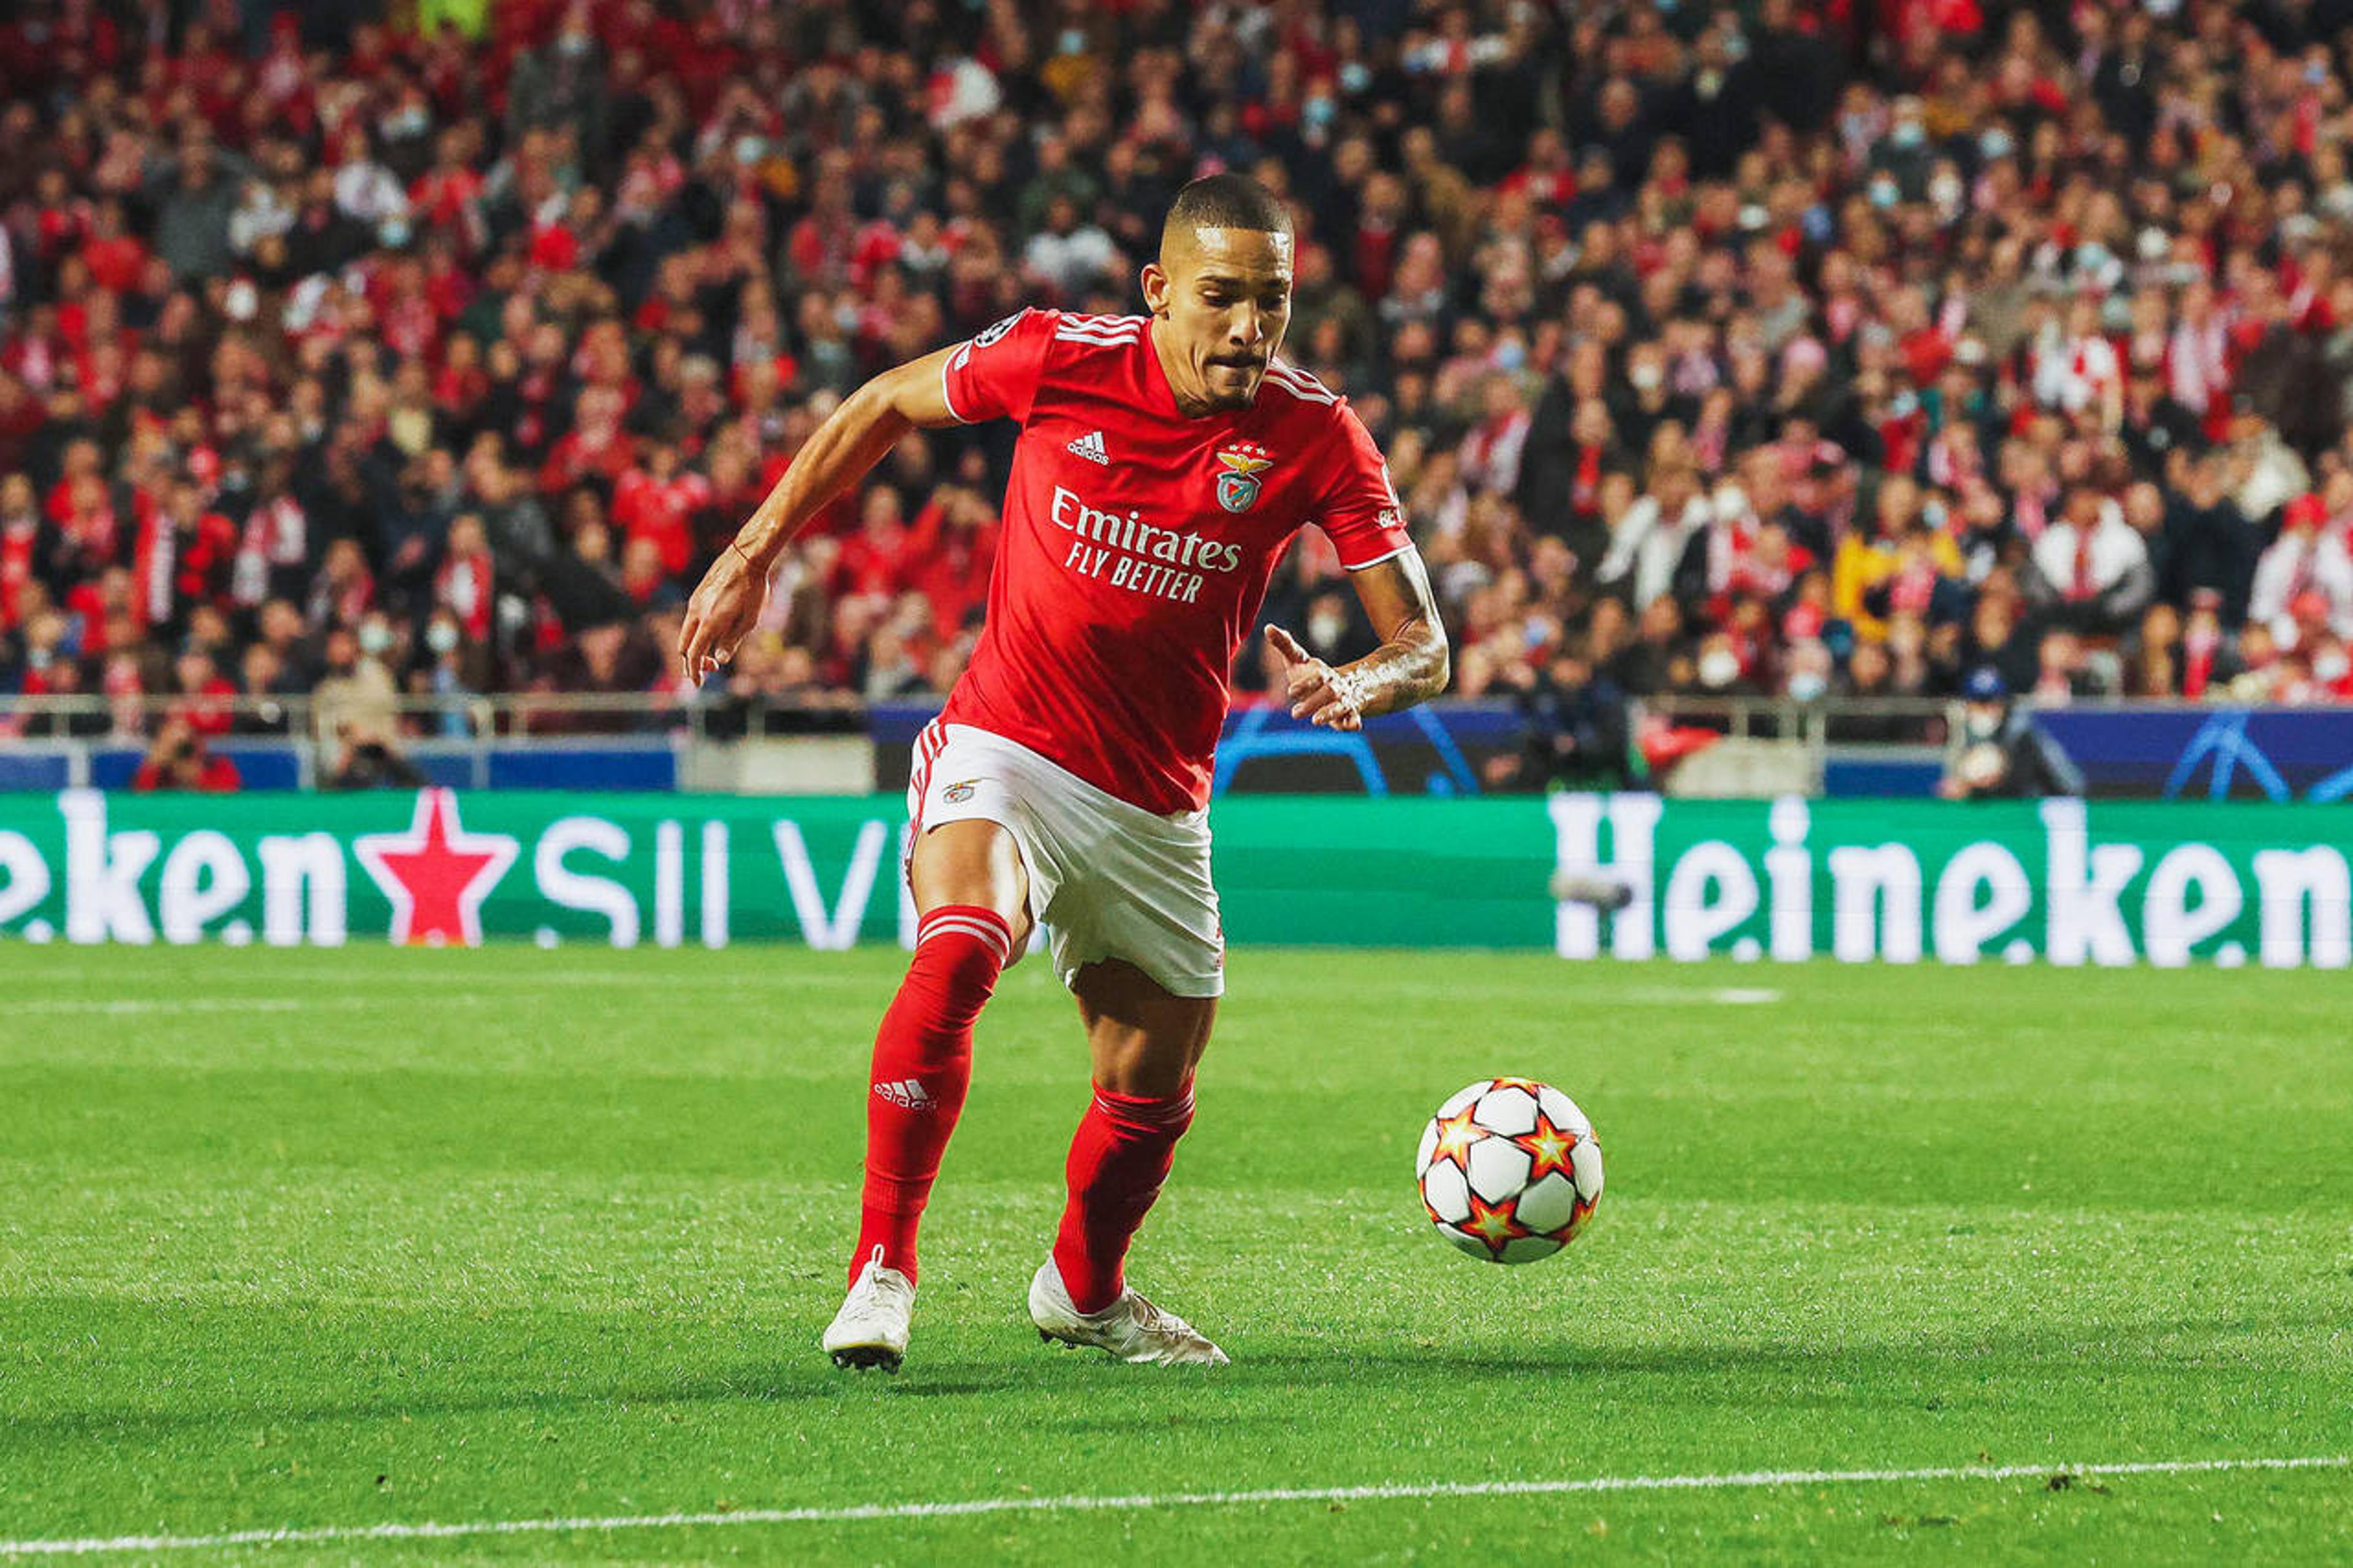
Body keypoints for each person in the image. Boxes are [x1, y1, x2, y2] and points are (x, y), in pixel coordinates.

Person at [679, 175, 1449, 1370]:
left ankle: (1084, 1290)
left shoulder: (1316, 432)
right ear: (1159, 291)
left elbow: (1428, 642)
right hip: (1009, 738)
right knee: (963, 943)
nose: (1251, 326)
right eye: (1224, 297)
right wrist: (750, 554)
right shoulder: (1058, 356)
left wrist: (1360, 682)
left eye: (1275, 302)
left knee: (1150, 1089)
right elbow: (887, 400)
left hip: (1155, 798)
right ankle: (883, 1266)